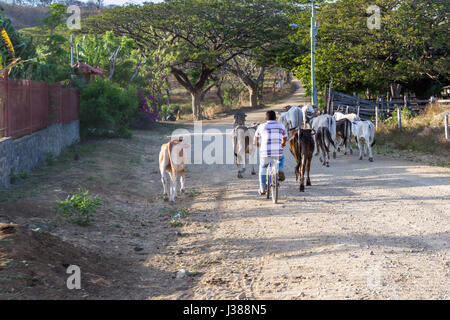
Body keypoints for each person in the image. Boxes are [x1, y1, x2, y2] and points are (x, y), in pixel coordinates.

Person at [254, 110, 287, 195]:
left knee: (263, 168)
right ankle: (279, 169)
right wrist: (283, 143)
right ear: (276, 118)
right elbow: (285, 137)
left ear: (265, 118)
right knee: (281, 159)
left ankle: (263, 188)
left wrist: (257, 144)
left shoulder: (261, 126)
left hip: (265, 153)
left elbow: (255, 139)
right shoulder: (281, 125)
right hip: (277, 153)